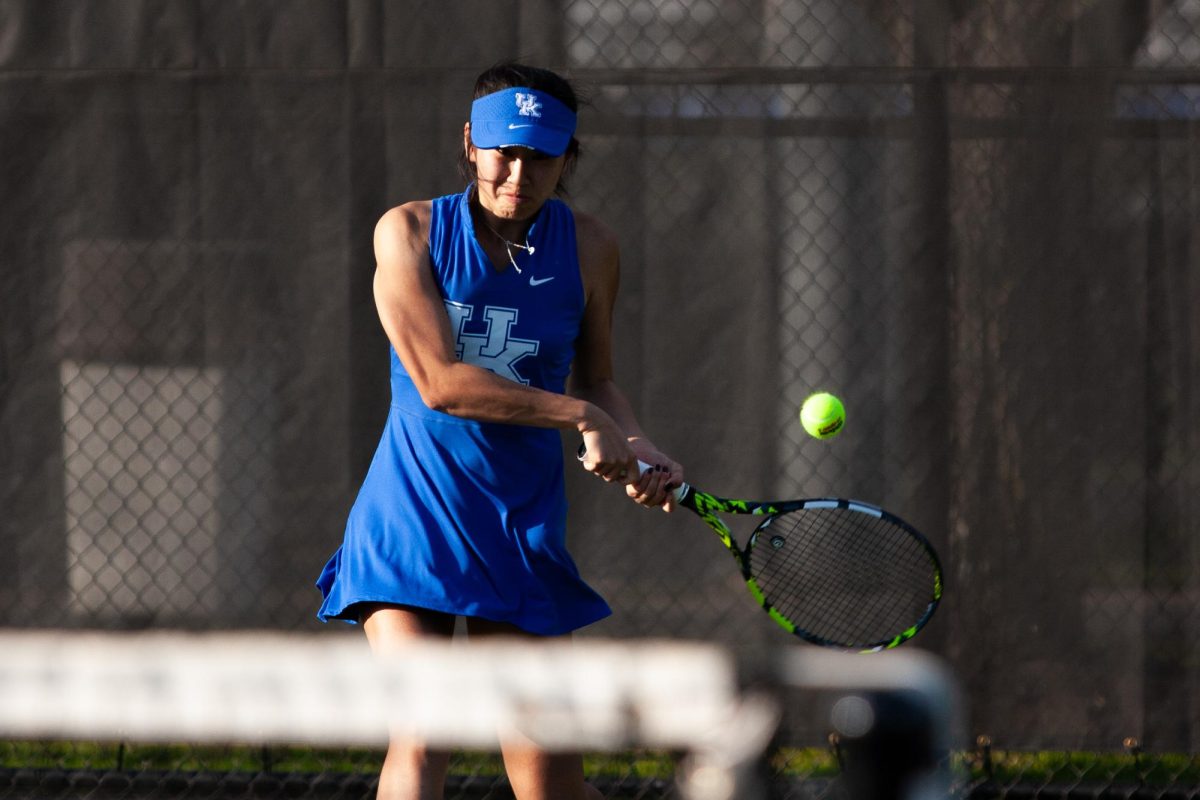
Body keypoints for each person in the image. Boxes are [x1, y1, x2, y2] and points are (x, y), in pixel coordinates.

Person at [316, 61, 683, 800]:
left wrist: (635, 439)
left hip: (521, 523)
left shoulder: (591, 247)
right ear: (471, 144)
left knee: (547, 759)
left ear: (568, 158)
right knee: (426, 730)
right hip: (411, 517)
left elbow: (597, 376)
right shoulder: (410, 232)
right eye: (504, 151)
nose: (519, 171)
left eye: (542, 155)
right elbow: (441, 385)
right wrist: (584, 419)